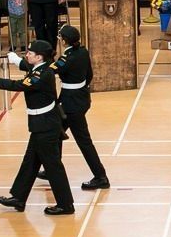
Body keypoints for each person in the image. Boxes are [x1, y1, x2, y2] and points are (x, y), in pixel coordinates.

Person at [0, 38, 75, 216]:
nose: (27, 55)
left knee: (53, 166)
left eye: (30, 53)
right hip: (41, 124)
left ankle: (66, 204)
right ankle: (19, 197)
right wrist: (17, 61)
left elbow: (18, 85)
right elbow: (27, 67)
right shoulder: (39, 68)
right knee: (30, 162)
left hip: (45, 126)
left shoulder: (41, 75)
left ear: (39, 57)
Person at [22, 24, 109, 191]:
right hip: (79, 98)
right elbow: (89, 75)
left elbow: (46, 70)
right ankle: (52, 169)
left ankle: (100, 176)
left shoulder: (67, 58)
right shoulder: (82, 52)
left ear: (64, 41)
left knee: (82, 140)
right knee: (56, 134)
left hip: (71, 104)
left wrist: (21, 62)